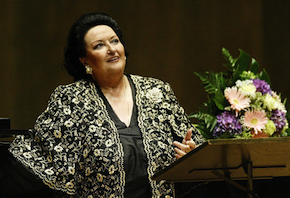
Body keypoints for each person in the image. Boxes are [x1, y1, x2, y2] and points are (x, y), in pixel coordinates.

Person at [8, 12, 205, 197]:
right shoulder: (71, 100)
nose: (111, 49)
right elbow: (40, 164)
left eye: (114, 41)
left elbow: (198, 156)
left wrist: (190, 156)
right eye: (99, 46)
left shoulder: (157, 91)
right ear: (84, 60)